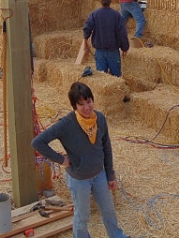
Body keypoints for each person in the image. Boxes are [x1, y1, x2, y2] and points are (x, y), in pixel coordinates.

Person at [31, 82, 130, 238]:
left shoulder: (100, 119)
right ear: (74, 106)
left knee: (109, 210)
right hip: (79, 179)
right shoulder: (66, 124)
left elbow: (107, 148)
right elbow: (37, 142)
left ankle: (117, 235)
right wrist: (61, 159)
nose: (87, 107)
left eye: (89, 101)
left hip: (99, 175)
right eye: (81, 104)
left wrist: (110, 175)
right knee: (82, 216)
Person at [83, 0, 130, 77]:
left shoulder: (94, 14)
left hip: (100, 51)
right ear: (110, 1)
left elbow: (87, 29)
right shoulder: (117, 15)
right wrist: (125, 48)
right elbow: (123, 33)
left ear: (100, 1)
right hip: (113, 51)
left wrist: (85, 43)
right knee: (116, 77)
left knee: (101, 77)